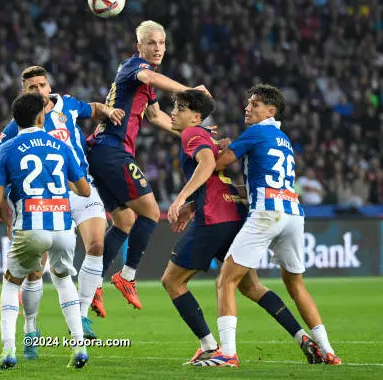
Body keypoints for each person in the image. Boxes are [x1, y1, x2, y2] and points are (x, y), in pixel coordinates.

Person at [161, 90, 321, 365]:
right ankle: (301, 336)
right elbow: (219, 179)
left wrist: (181, 199)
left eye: (179, 109)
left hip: (213, 219)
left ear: (196, 117)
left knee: (172, 281)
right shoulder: (207, 137)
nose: (173, 113)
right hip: (233, 211)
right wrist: (194, 204)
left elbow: (209, 164)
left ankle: (212, 346)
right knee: (252, 287)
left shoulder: (191, 134)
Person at [196, 84, 341, 367]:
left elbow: (217, 164)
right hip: (293, 214)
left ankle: (227, 353)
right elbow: (264, 180)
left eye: (255, 104)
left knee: (226, 280)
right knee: (296, 285)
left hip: (267, 213)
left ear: (270, 111)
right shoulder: (283, 138)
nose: (247, 108)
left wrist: (214, 146)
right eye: (248, 103)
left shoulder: (255, 132)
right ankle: (327, 350)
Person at [0, 66, 124, 347]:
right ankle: (32, 328)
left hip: (79, 187)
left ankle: (81, 317)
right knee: (37, 270)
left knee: (96, 244)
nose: (39, 91)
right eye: (32, 87)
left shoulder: (68, 104)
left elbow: (92, 108)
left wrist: (107, 111)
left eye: (42, 85)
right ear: (25, 92)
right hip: (47, 194)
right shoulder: (19, 123)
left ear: (49, 87)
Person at [86, 20, 210, 313]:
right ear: (138, 46)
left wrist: (195, 129)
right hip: (112, 151)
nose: (158, 48)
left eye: (162, 43)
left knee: (126, 222)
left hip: (101, 152)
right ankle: (127, 276)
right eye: (151, 43)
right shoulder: (135, 67)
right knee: (152, 212)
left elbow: (156, 117)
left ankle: (91, 285)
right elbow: (150, 77)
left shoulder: (141, 81)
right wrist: (190, 92)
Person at [0, 93, 92, 370]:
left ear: (16, 119)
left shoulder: (5, 149)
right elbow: (84, 189)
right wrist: (60, 188)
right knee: (62, 280)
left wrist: (8, 222)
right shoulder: (60, 145)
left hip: (30, 224)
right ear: (40, 117)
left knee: (12, 283)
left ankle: (9, 350)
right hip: (63, 226)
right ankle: (80, 347)